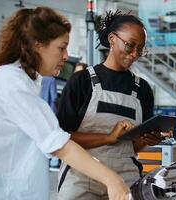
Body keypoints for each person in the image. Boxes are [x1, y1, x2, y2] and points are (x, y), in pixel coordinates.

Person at [0, 7, 132, 200]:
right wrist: (112, 179)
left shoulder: (26, 81)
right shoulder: (10, 82)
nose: (66, 56)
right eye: (61, 47)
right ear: (38, 46)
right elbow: (58, 144)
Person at [57, 10, 163, 199]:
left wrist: (144, 140)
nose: (134, 54)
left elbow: (131, 147)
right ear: (112, 39)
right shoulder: (81, 82)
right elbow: (62, 139)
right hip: (83, 175)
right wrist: (108, 137)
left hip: (125, 177)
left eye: (140, 49)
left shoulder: (143, 89)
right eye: (130, 46)